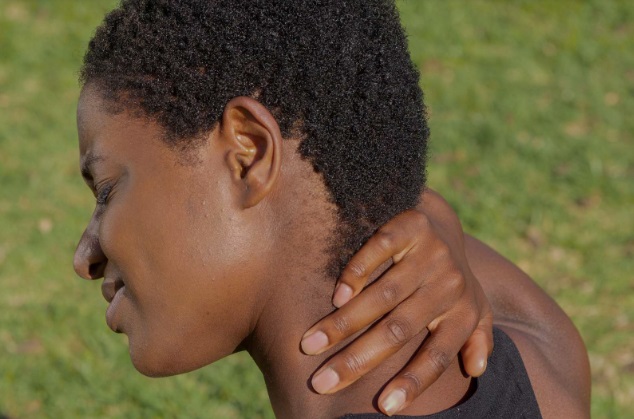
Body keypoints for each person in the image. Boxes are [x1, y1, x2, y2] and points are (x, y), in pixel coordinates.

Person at [72, 0, 590, 417]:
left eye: (105, 192)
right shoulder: (548, 362)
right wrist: (424, 215)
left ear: (248, 153)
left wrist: (431, 216)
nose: (85, 256)